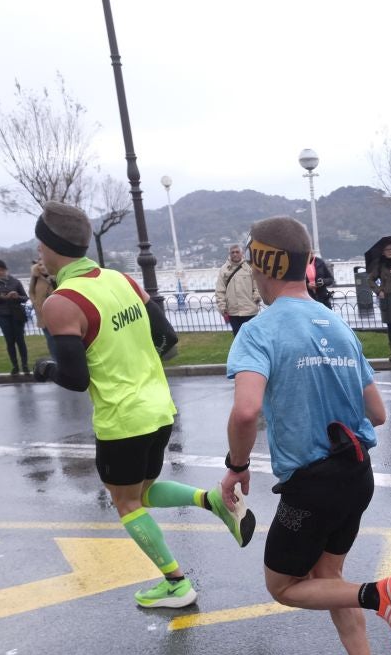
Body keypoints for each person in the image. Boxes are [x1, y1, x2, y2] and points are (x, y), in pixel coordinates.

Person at [222, 215, 391, 655]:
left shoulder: (258, 331)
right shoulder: (338, 326)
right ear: (305, 263)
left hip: (311, 485)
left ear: (259, 262)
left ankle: (377, 595)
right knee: (327, 575)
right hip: (357, 475)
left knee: (285, 587)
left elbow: (246, 410)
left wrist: (236, 466)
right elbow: (377, 412)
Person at [29, 201, 253, 609]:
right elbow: (167, 340)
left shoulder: (61, 303)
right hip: (159, 409)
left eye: (39, 246)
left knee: (126, 502)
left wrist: (45, 369)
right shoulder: (121, 280)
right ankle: (212, 501)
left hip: (121, 419)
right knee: (144, 492)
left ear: (48, 247)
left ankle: (176, 583)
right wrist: (135, 360)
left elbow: (76, 380)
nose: (38, 253)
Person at [0, 259, 31, 376]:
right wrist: (1, 298)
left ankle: (25, 365)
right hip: (3, 315)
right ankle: (15, 366)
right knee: (10, 341)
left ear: (6, 269)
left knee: (20, 340)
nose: (1, 272)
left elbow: (25, 297)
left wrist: (16, 296)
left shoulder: (15, 281)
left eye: (2, 270)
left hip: (17, 314)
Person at [215, 244, 262, 335]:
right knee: (238, 337)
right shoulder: (224, 270)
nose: (235, 254)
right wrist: (222, 306)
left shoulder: (250, 267)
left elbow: (257, 285)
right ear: (229, 254)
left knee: (252, 336)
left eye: (237, 252)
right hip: (233, 312)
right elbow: (220, 290)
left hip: (250, 310)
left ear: (242, 253)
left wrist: (256, 297)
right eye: (233, 252)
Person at [30, 258, 58, 357]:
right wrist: (35, 302)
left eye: (44, 265)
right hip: (42, 314)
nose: (42, 267)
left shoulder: (56, 277)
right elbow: (31, 292)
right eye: (40, 265)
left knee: (60, 340)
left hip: (57, 314)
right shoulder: (36, 278)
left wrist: (52, 281)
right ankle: (55, 362)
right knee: (50, 340)